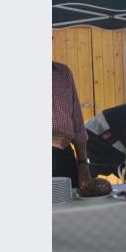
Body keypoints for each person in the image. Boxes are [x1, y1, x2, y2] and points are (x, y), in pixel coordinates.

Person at [53, 61, 91, 189]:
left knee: (74, 207)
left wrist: (83, 164)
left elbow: (78, 123)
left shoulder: (63, 72)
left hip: (64, 157)